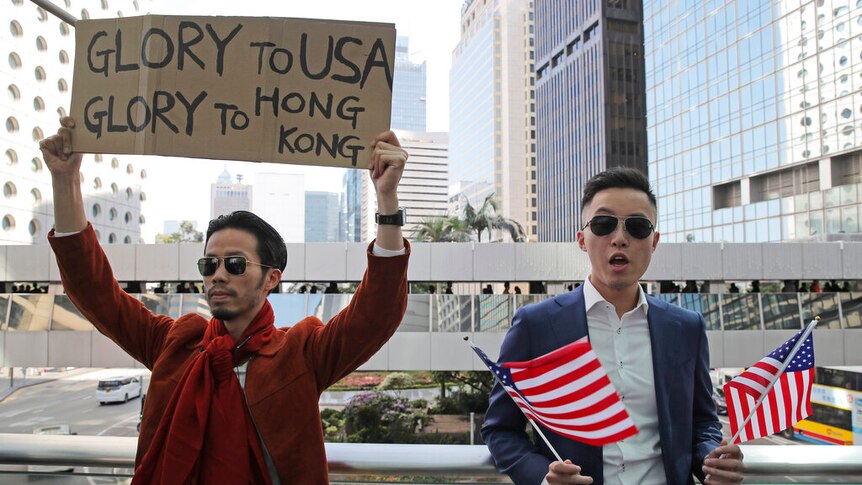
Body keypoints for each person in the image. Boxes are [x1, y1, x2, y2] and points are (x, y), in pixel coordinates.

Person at [40, 117, 410, 485]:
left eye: (234, 264)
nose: (217, 274)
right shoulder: (174, 343)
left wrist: (387, 199)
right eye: (209, 264)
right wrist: (65, 178)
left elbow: (374, 314)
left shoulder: (302, 353)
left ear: (271, 279)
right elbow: (95, 291)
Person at [482, 167, 744, 485]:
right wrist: (542, 477)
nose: (619, 239)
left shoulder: (685, 327)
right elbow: (499, 429)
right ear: (582, 239)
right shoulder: (535, 326)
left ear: (654, 241)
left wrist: (711, 458)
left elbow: (702, 421)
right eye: (604, 224)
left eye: (637, 226)